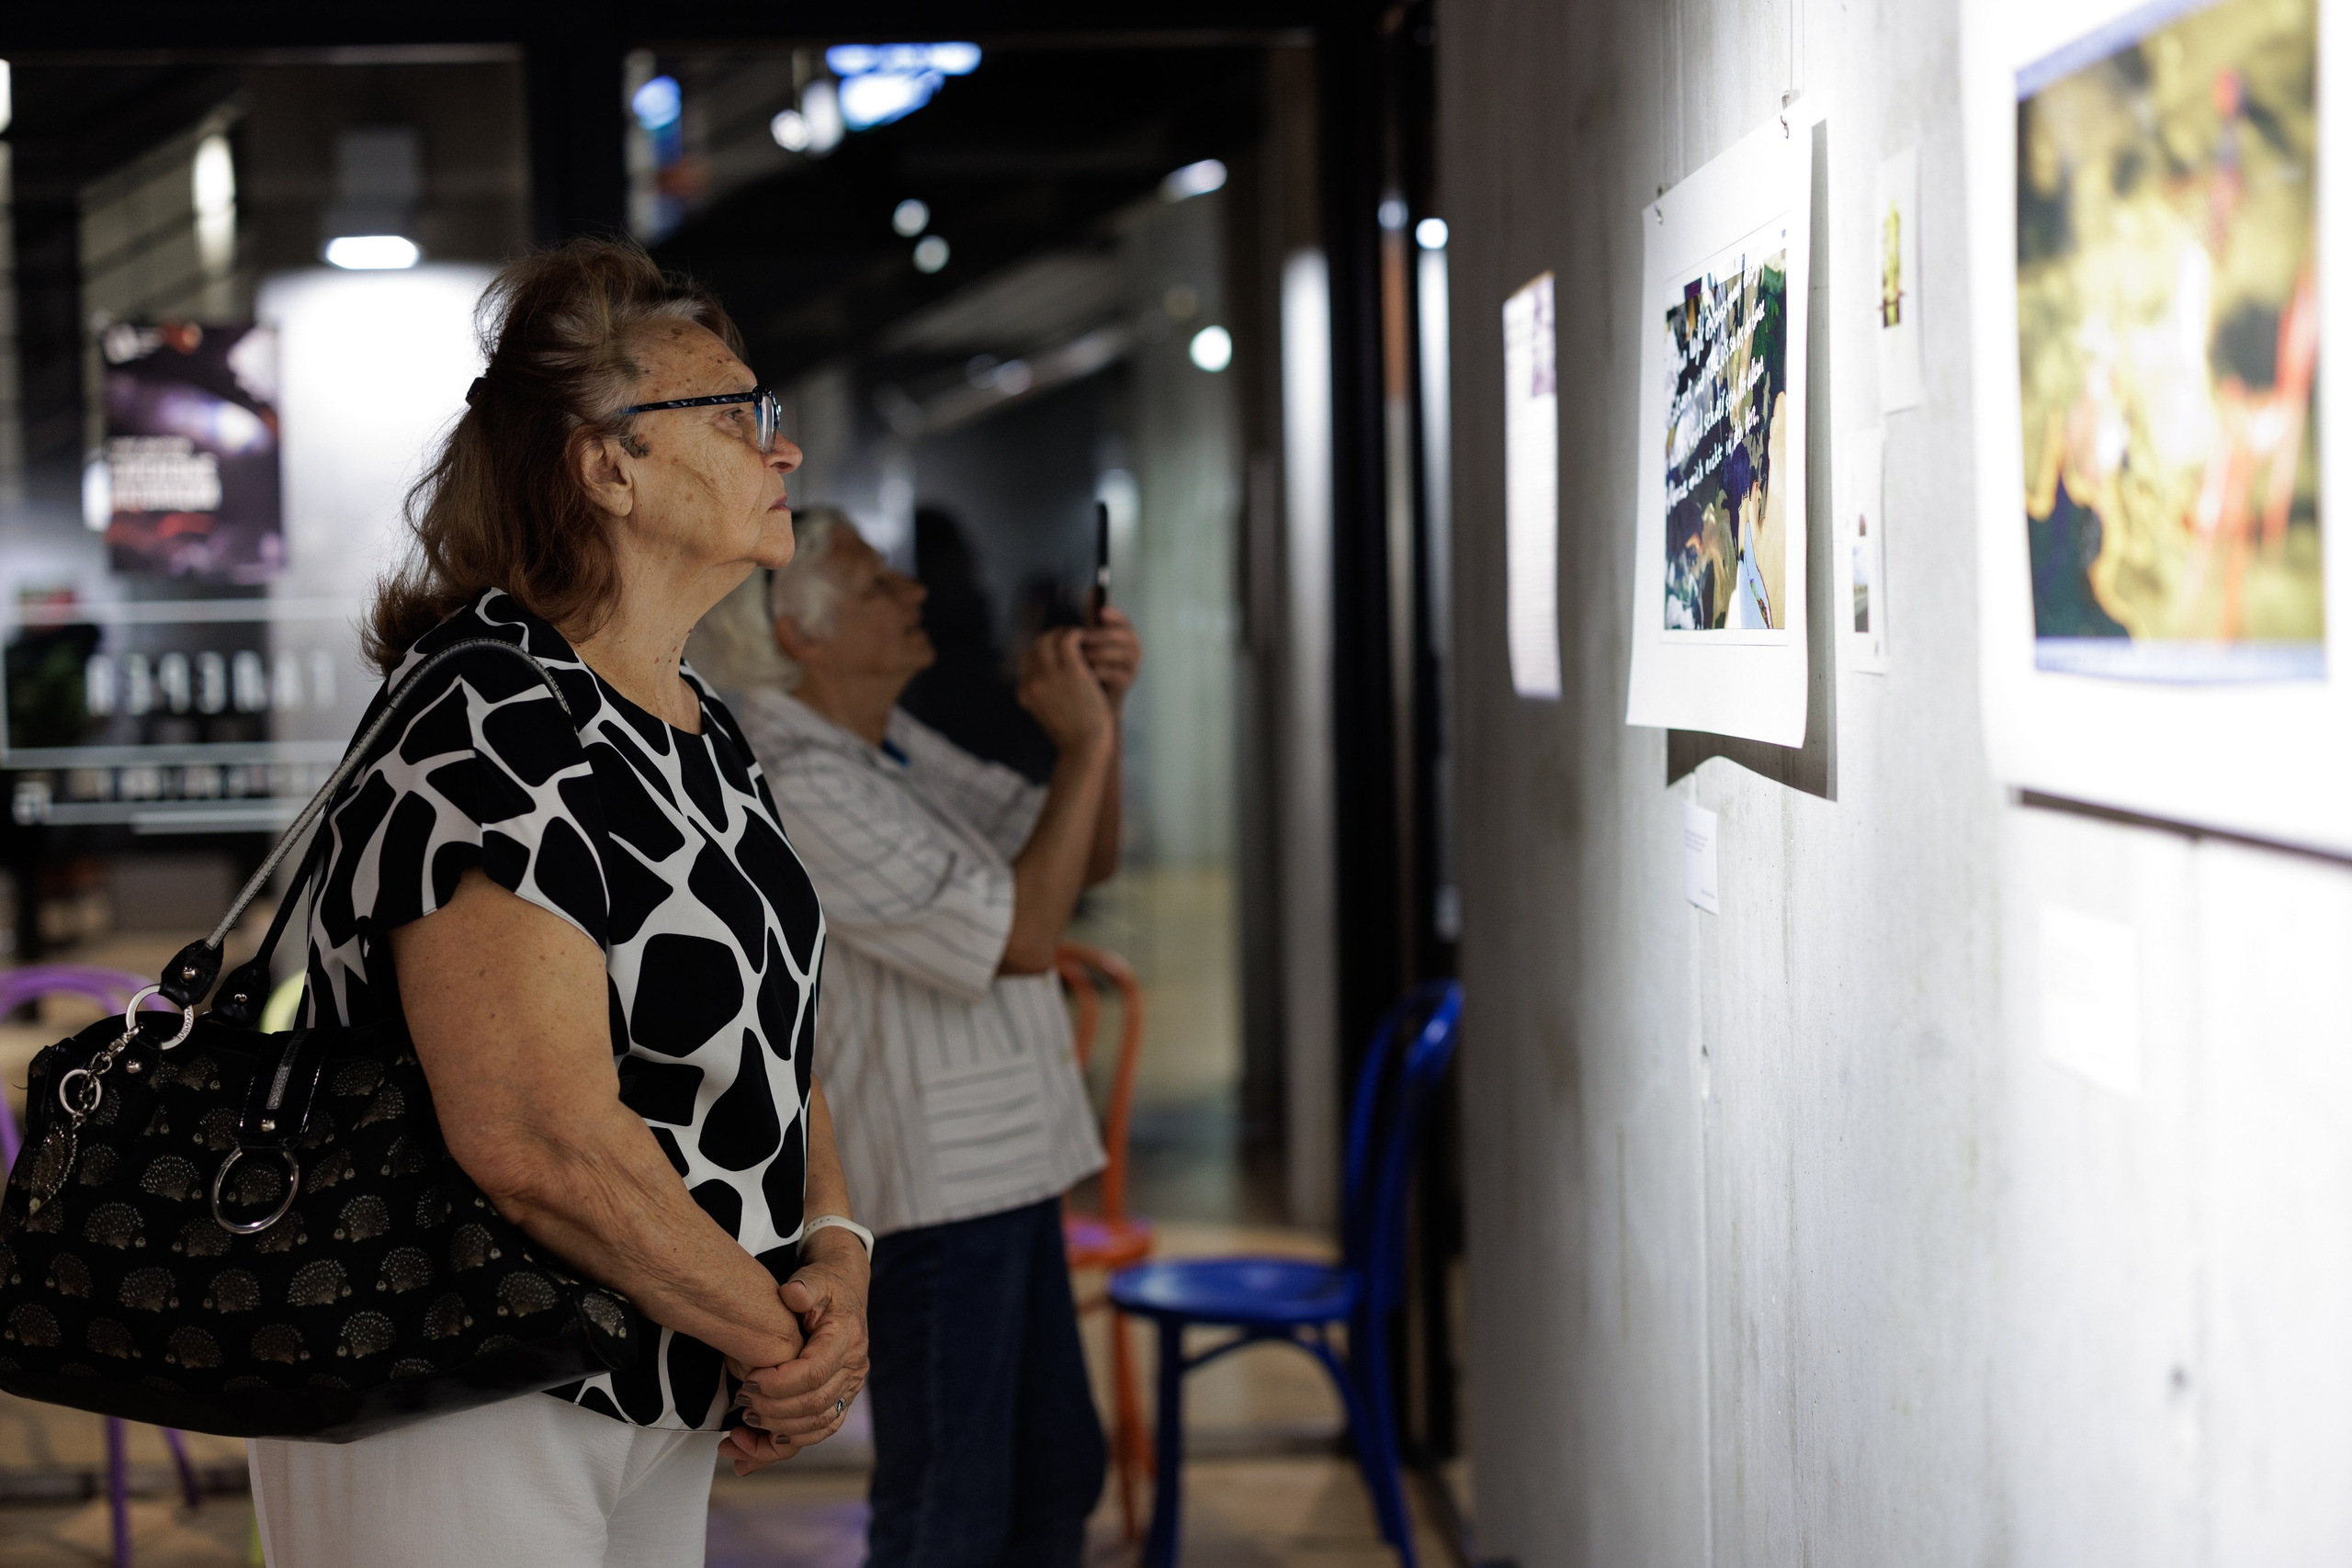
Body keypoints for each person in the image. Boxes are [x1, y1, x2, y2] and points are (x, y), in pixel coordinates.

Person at [248, 238, 870, 1568]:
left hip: (660, 1360)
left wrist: (838, 1254)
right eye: (739, 413)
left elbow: (772, 1040)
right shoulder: (489, 709)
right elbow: (534, 1136)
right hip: (460, 1369)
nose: (784, 451)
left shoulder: (699, 721)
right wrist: (779, 1341)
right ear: (611, 466)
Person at [724, 511, 1142, 1568]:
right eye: (876, 585)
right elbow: (1027, 935)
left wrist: (1103, 720)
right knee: (950, 1502)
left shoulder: (886, 740)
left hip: (1003, 1162)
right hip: (933, 1190)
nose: (913, 593)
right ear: (803, 633)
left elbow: (1076, 860)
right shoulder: (794, 769)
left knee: (1052, 1471)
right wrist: (1083, 740)